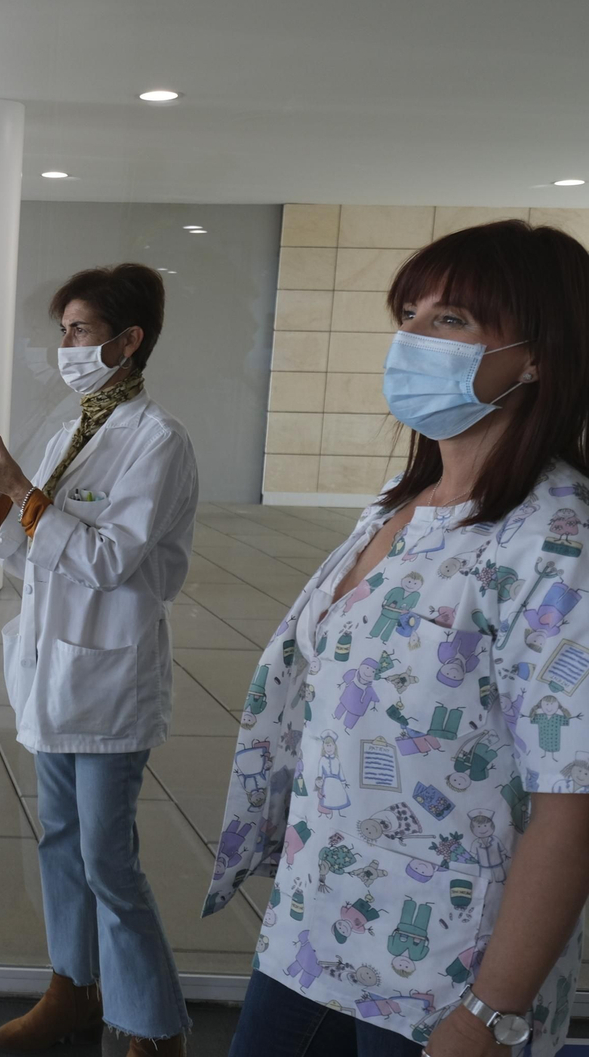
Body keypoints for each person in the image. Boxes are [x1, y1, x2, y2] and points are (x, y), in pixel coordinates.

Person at [206, 219, 589, 1057]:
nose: (411, 340)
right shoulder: (402, 503)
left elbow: (573, 804)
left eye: (450, 320)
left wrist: (487, 1015)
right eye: (408, 315)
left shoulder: (555, 545)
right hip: (314, 928)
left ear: (537, 356)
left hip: (442, 976)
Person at [0, 263, 198, 1057]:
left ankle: (155, 1027)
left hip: (108, 679)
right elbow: (36, 556)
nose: (66, 346)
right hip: (54, 671)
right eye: (63, 331)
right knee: (60, 841)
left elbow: (108, 560)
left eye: (81, 331)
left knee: (108, 860)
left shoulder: (156, 442)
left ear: (128, 341)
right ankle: (74, 989)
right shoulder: (74, 431)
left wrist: (23, 490)